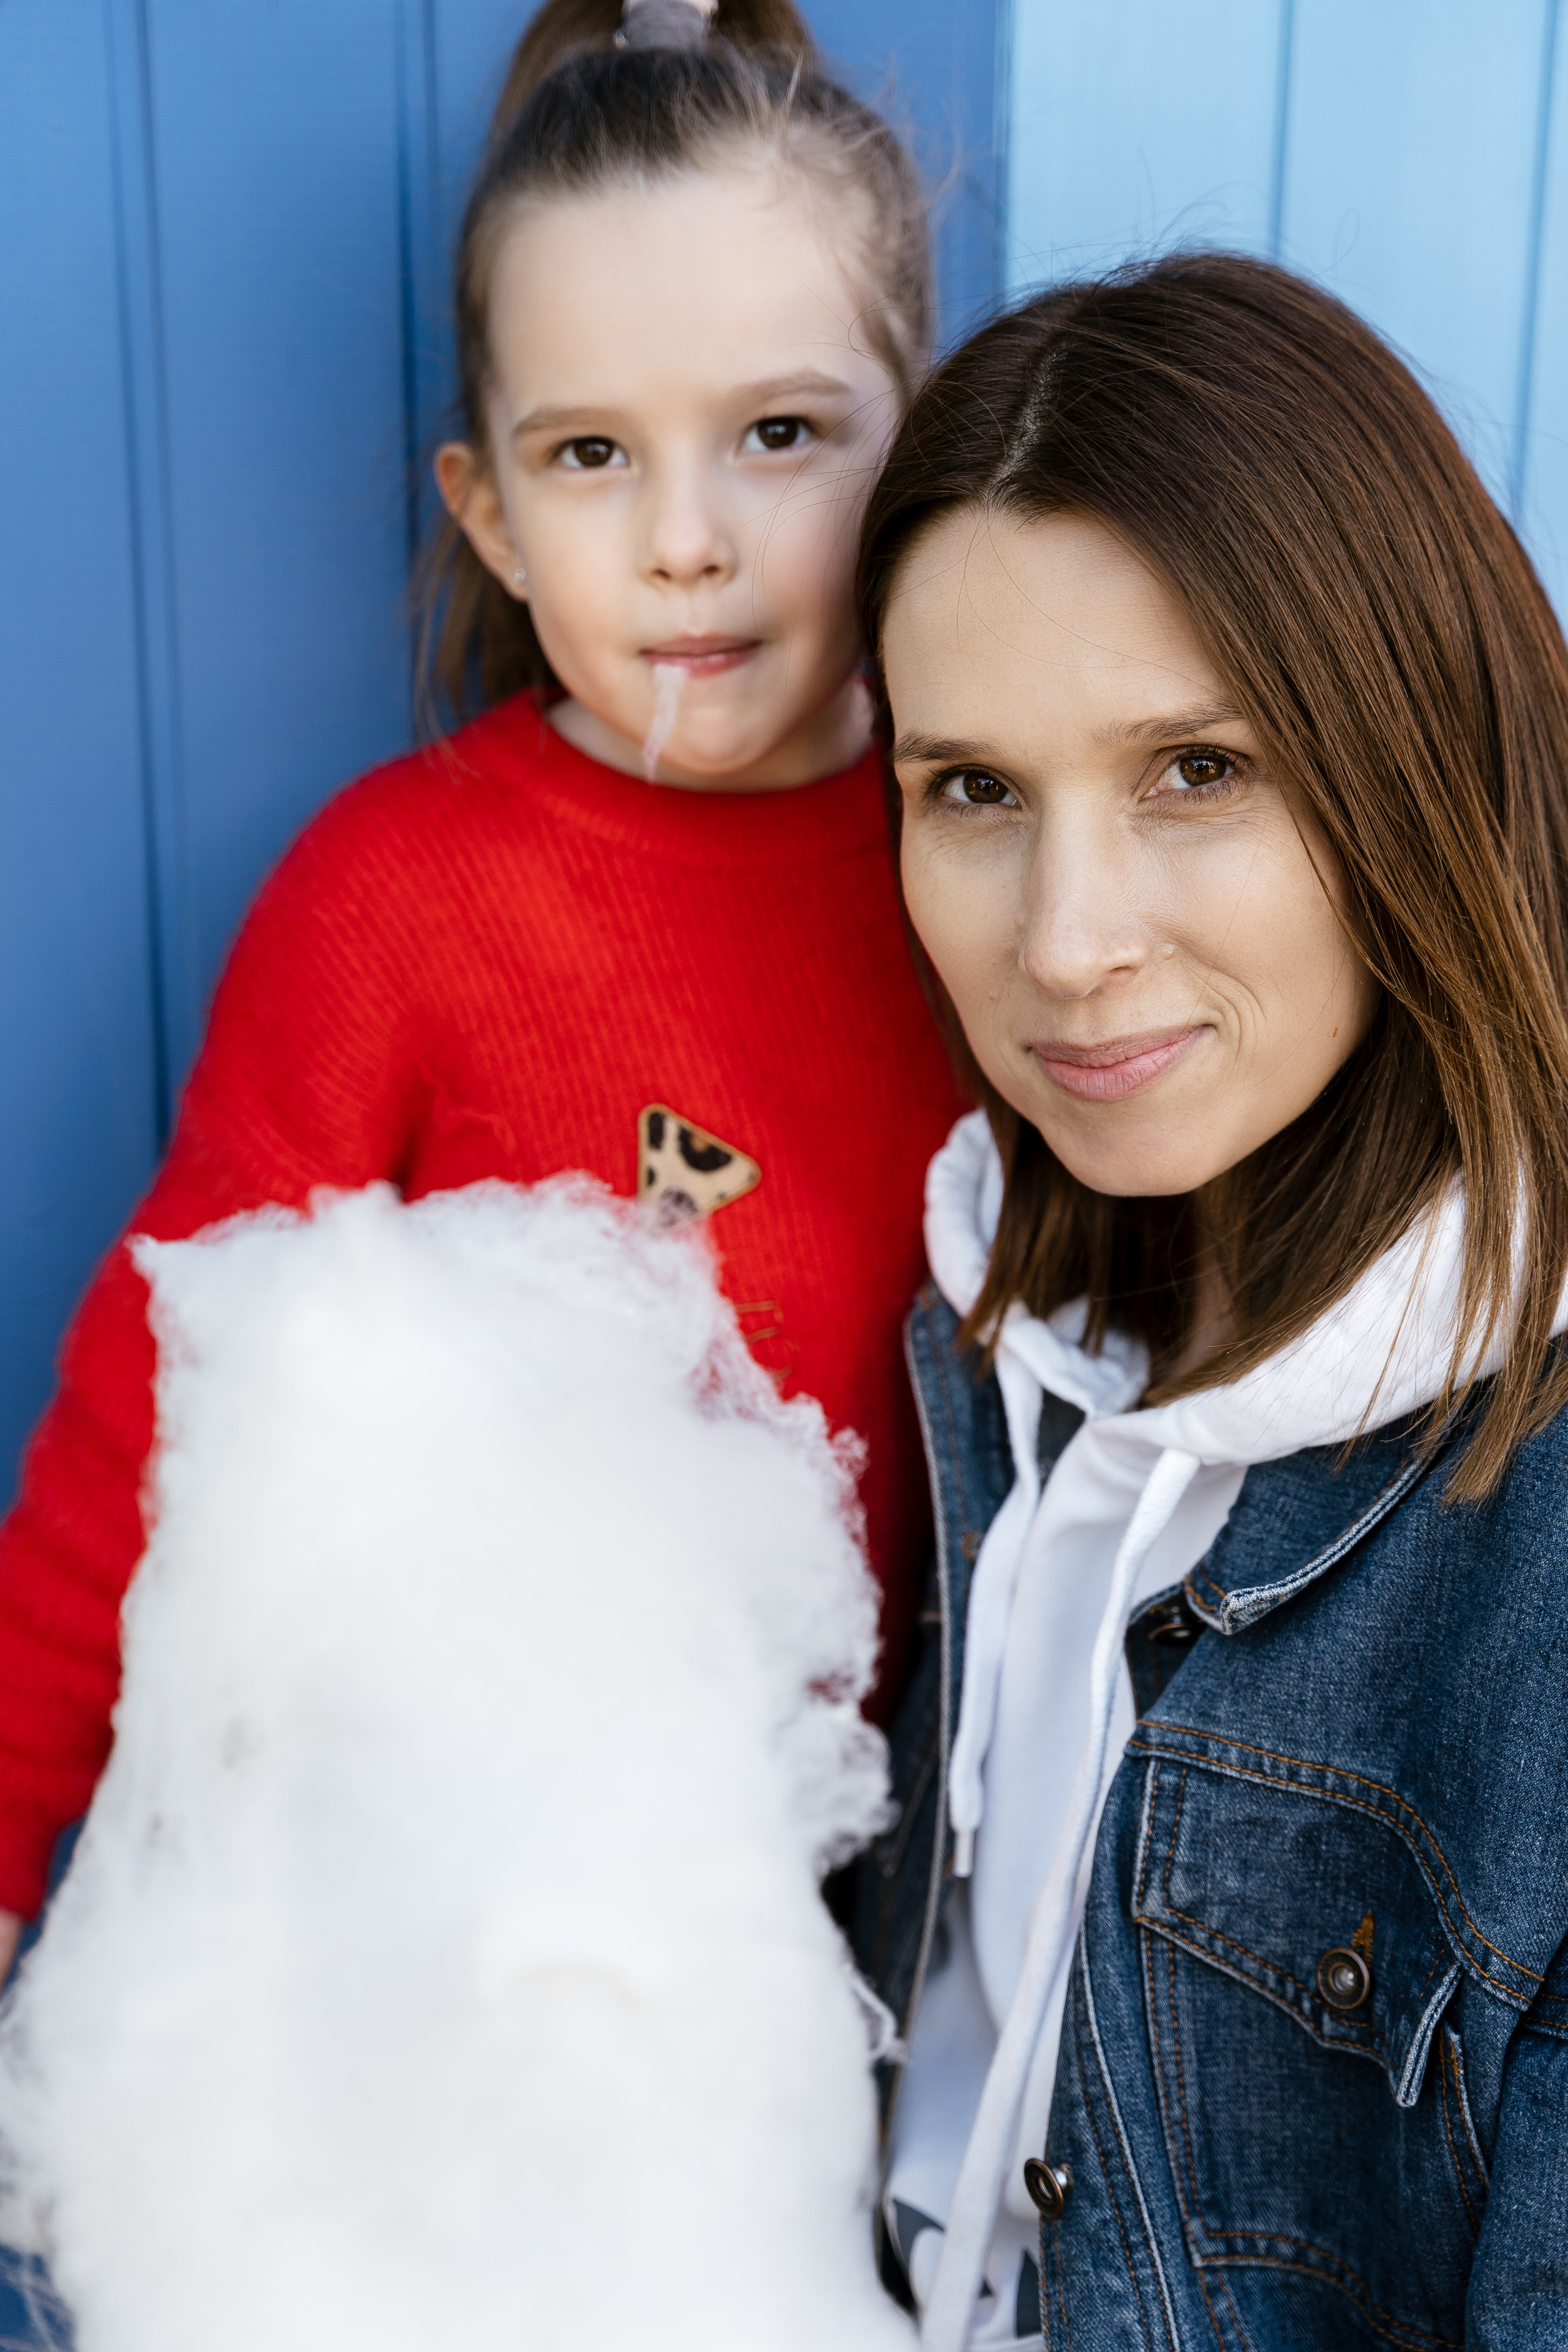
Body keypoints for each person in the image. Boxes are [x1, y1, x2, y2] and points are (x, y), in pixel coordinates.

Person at [0, 0, 965, 1975]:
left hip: (914, 1918)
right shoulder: (396, 902)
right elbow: (159, 1397)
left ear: (916, 443)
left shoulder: (984, 857)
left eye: (778, 435)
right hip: (465, 1945)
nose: (687, 543)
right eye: (593, 455)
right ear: (494, 516)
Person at [852, 253, 1568, 2350]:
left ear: (1419, 758)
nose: (1067, 944)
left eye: (1198, 769)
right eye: (973, 789)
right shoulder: (994, 1317)